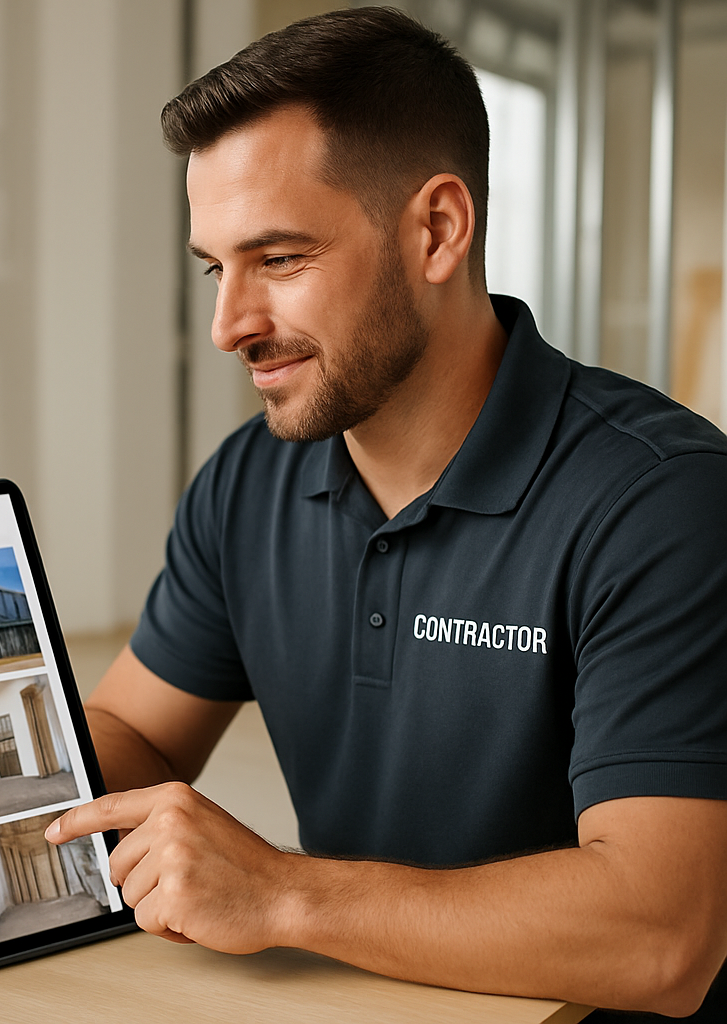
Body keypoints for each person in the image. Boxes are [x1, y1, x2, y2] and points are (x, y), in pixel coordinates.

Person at [45, 7, 727, 1020]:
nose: (231, 322)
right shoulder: (245, 483)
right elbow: (136, 736)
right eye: (212, 266)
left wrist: (279, 889)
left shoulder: (661, 499)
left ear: (437, 230)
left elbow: (662, 936)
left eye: (277, 258)